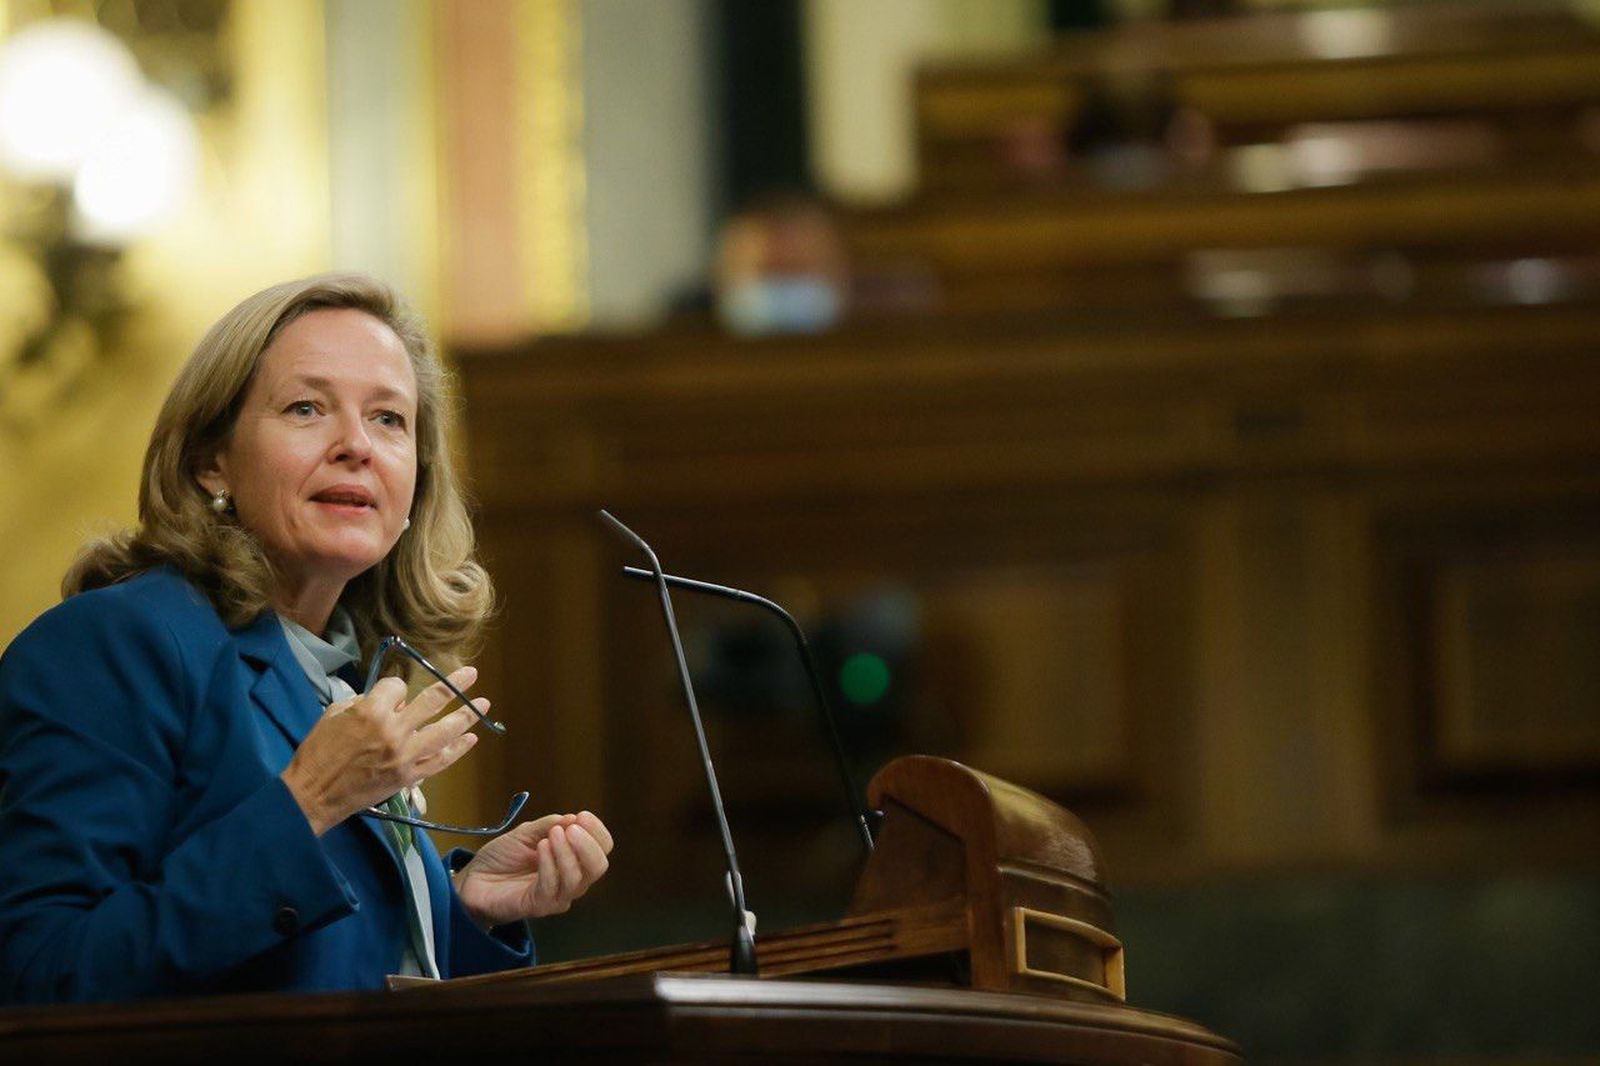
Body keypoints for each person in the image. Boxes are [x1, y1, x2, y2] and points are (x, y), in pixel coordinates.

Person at [0, 273, 612, 1004]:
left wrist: (456, 908)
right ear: (210, 461)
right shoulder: (115, 644)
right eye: (306, 408)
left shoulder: (339, 671)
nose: (356, 444)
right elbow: (39, 974)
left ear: (416, 481)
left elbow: (331, 974)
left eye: (389, 419)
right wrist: (310, 800)